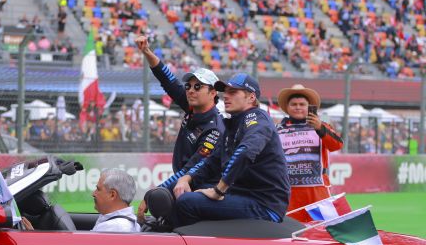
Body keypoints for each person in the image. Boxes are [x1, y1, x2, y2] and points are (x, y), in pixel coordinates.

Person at [170, 73, 291, 227]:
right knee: (186, 194)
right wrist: (187, 178)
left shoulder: (256, 118)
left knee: (187, 202)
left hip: (264, 204)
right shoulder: (233, 125)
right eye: (225, 92)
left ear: (251, 97)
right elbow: (210, 162)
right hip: (244, 197)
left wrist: (218, 190)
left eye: (233, 92)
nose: (226, 96)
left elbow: (246, 151)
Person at [135, 35, 225, 222]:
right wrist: (147, 52)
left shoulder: (215, 130)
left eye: (198, 86)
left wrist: (153, 193)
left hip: (202, 192)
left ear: (213, 93)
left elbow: (189, 170)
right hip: (185, 187)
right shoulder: (192, 107)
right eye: (189, 85)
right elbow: (167, 78)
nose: (191, 90)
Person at [277, 84, 343, 223]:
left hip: (317, 191)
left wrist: (319, 128)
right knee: (290, 233)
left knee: (323, 232)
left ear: (309, 107)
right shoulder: (277, 130)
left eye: (302, 104)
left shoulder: (322, 125)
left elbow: (337, 145)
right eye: (294, 104)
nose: (298, 107)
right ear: (287, 107)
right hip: (289, 192)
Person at [21, 169, 140, 232]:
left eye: (98, 189)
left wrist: (34, 236)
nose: (93, 193)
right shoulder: (115, 222)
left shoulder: (115, 228)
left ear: (112, 195)